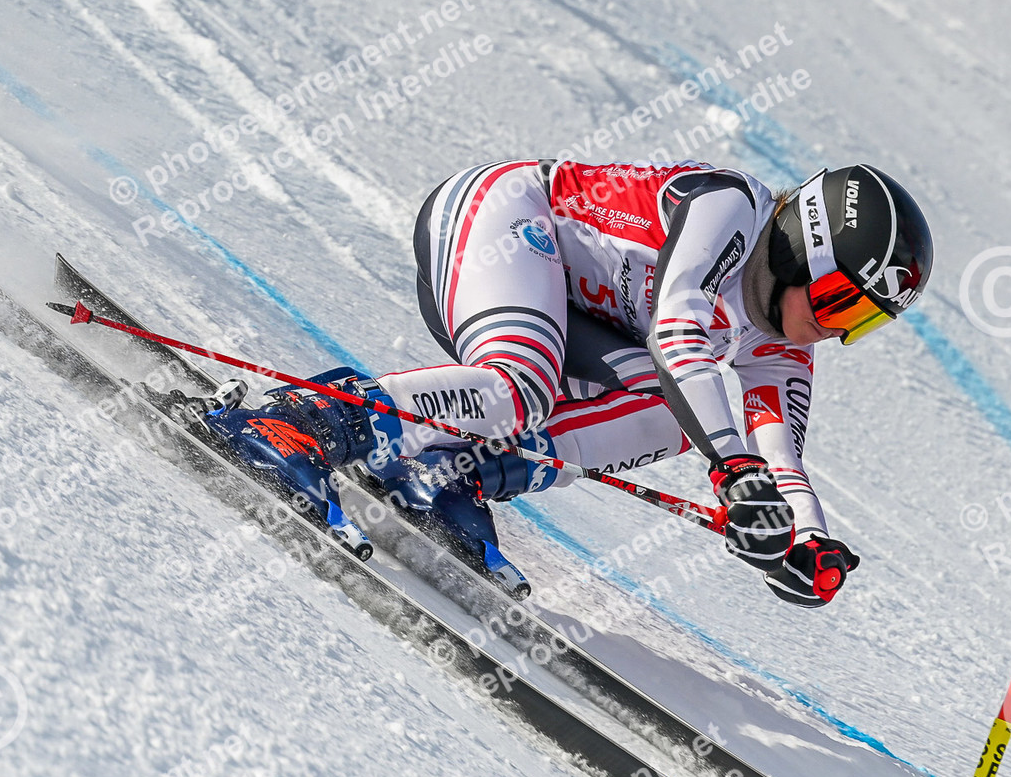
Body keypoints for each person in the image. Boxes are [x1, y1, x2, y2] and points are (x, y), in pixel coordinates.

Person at [198, 160, 933, 606]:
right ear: (800, 248)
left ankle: (450, 472)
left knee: (673, 413)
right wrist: (735, 472)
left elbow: (782, 461)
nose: (834, 331)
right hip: (504, 222)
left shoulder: (786, 343)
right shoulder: (732, 207)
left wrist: (804, 545)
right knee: (524, 385)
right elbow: (679, 327)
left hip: (575, 314)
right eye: (840, 301)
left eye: (862, 322)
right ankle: (301, 420)